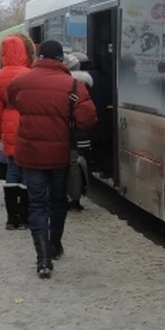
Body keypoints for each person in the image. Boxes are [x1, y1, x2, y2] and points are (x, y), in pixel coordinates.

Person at [9, 40, 97, 279]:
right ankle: (55, 245)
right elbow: (87, 119)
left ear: (38, 55)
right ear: (61, 59)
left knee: (36, 204)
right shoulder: (73, 85)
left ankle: (43, 259)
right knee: (58, 202)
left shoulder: (21, 81)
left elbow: (14, 102)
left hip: (30, 154)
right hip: (61, 155)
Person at [0, 33, 36, 230]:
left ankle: (11, 218)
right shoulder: (30, 74)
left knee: (11, 169)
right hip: (27, 122)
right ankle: (25, 216)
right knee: (27, 169)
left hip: (8, 123)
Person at [64, 52, 93, 211]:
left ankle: (66, 196)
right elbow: (87, 113)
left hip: (65, 132)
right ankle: (76, 197)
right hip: (82, 133)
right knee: (79, 163)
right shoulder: (85, 83)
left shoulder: (64, 84)